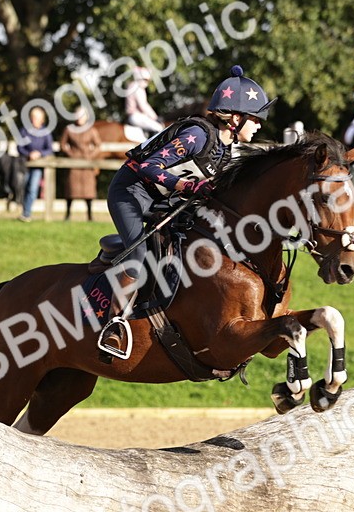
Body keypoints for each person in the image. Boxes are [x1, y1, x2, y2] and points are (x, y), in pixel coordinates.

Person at [99, 65, 270, 359]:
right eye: (255, 119)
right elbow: (147, 167)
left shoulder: (227, 150)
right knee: (139, 254)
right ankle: (112, 325)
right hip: (130, 193)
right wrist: (186, 186)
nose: (259, 126)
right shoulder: (198, 135)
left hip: (162, 200)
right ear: (236, 118)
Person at [60, 108, 101, 221]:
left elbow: (98, 145)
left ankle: (90, 216)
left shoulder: (91, 130)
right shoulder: (69, 130)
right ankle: (67, 215)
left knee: (89, 192)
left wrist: (90, 156)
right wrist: (71, 154)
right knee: (71, 191)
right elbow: (63, 145)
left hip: (87, 165)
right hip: (74, 165)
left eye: (82, 116)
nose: (79, 118)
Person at [18, 106, 53, 222]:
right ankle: (24, 210)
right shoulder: (24, 131)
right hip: (25, 164)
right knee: (23, 186)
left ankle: (26, 213)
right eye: (33, 118)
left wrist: (39, 154)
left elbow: (49, 149)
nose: (35, 120)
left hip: (38, 166)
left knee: (32, 188)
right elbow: (19, 147)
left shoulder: (45, 133)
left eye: (37, 118)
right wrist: (29, 154)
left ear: (42, 120)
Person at [124, 67, 163, 139]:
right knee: (159, 128)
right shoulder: (137, 88)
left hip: (135, 116)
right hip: (136, 116)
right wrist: (155, 117)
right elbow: (143, 105)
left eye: (148, 80)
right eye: (145, 80)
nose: (147, 82)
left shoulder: (132, 85)